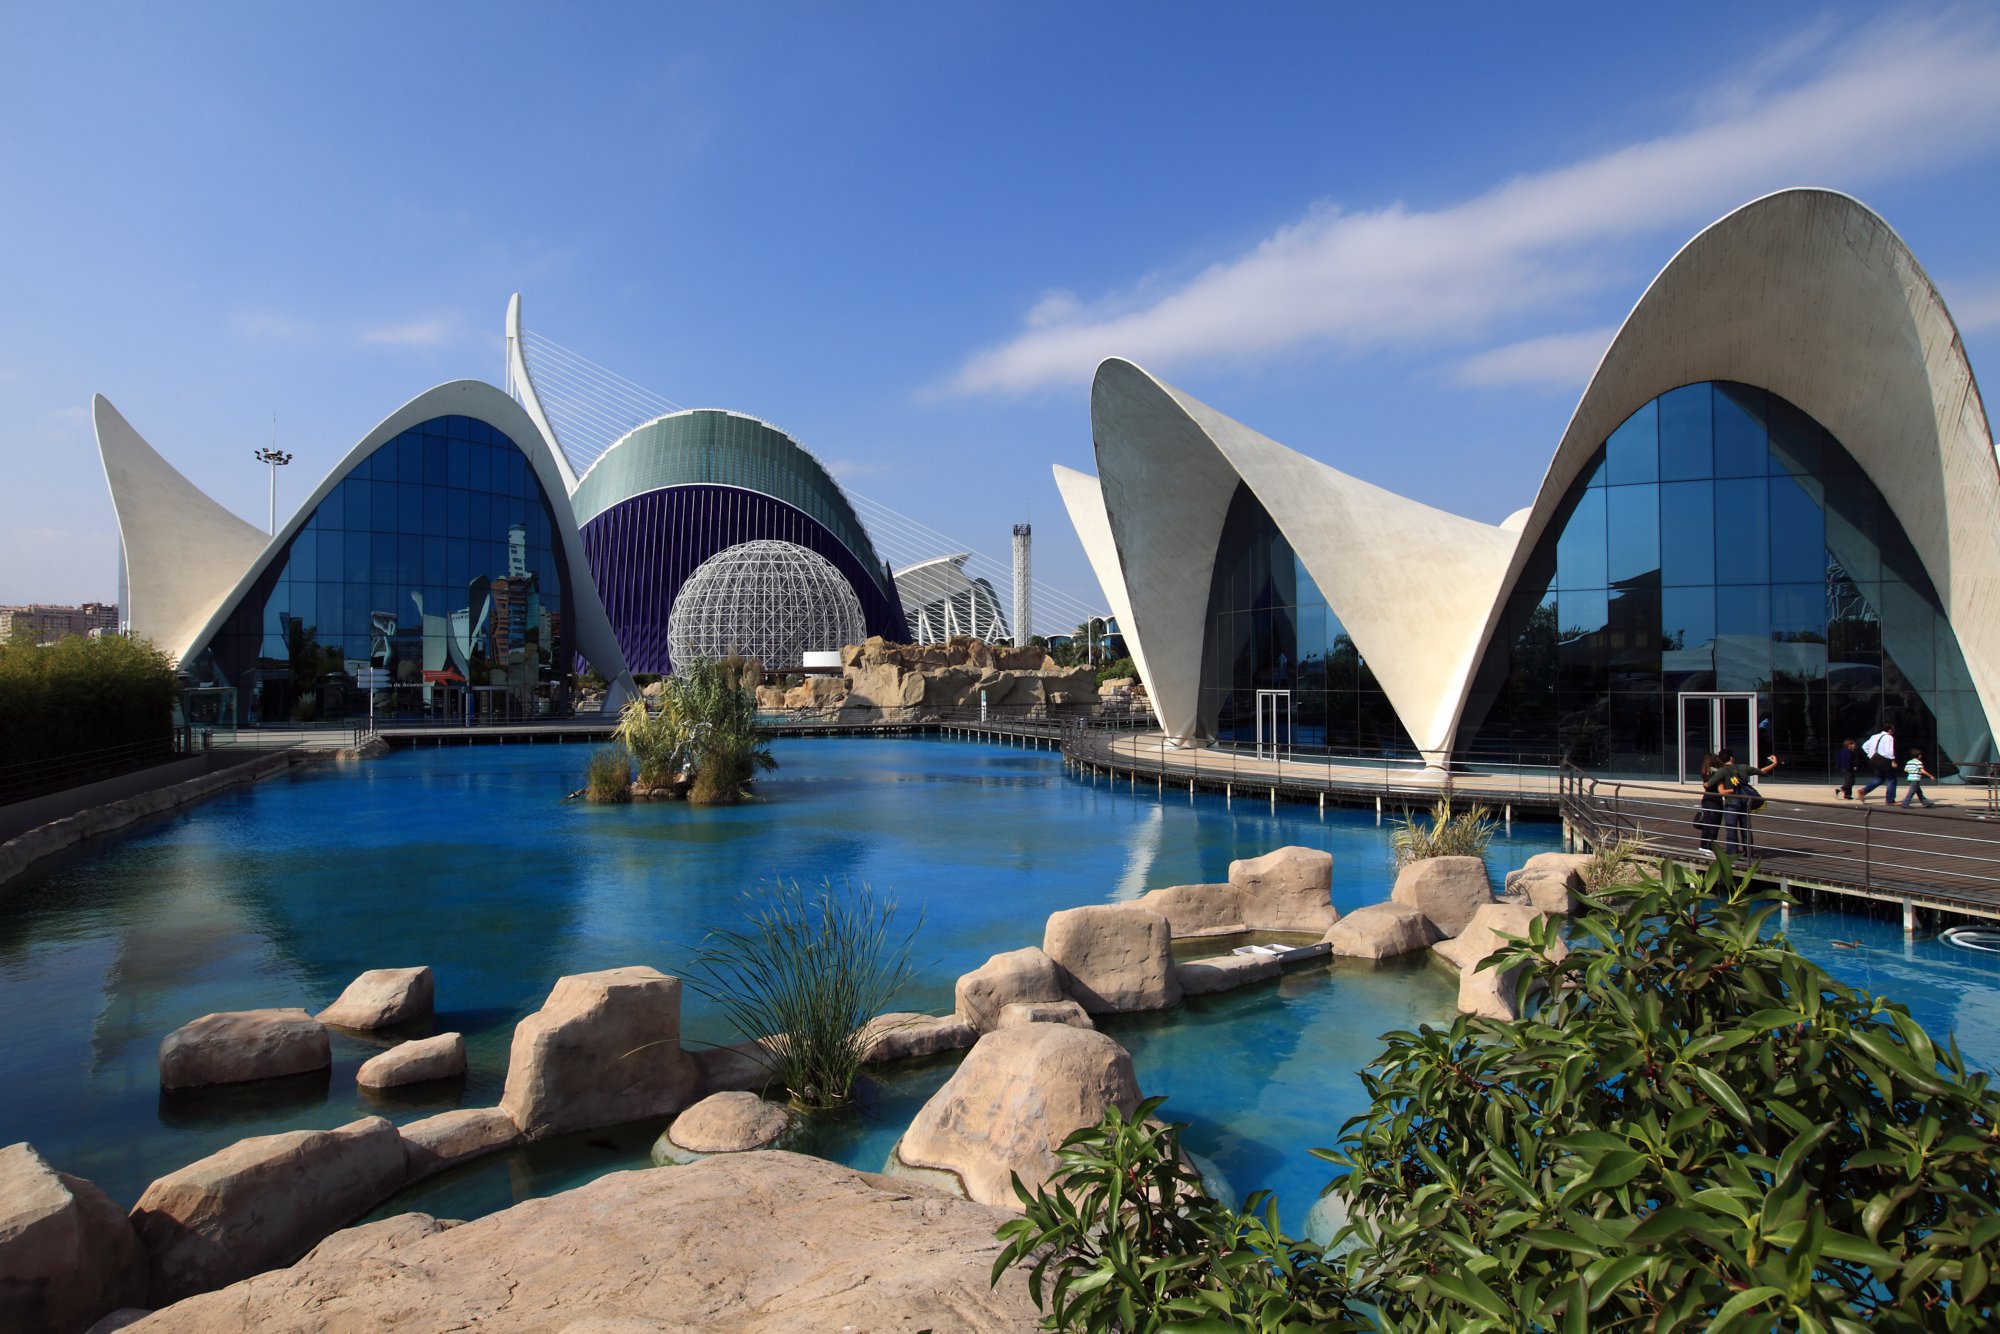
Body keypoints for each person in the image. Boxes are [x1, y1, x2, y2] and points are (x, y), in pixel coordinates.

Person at [1718, 748, 1780, 857]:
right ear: (1732, 757)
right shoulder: (1743, 768)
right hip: (1745, 801)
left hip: (1731, 802)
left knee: (1731, 827)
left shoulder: (1722, 770)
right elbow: (1762, 771)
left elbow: (1710, 784)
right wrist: (1775, 763)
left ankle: (1733, 852)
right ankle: (1749, 852)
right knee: (1746, 827)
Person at [1858, 724, 1898, 804]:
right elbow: (1889, 751)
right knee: (1891, 780)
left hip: (1875, 761)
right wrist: (1893, 761)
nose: (1894, 731)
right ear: (1890, 730)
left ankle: (1864, 790)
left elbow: (1864, 746)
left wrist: (1870, 755)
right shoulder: (1889, 737)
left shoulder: (1874, 736)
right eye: (1893, 729)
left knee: (1879, 779)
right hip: (1885, 761)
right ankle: (1890, 800)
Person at [1694, 751, 1725, 854]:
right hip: (1715, 800)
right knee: (1713, 824)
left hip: (1707, 798)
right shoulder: (1715, 772)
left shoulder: (1705, 771)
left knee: (1708, 824)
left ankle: (1704, 846)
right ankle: (1709, 848)